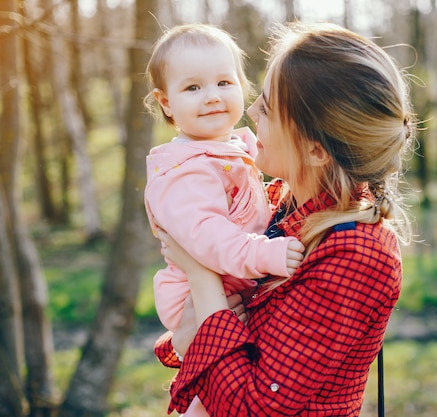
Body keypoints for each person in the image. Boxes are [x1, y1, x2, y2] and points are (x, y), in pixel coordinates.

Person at [154, 21, 416, 417]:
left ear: (315, 151)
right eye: (259, 96)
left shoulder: (356, 255)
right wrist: (189, 334)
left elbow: (251, 409)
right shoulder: (282, 202)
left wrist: (199, 271)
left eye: (269, 108)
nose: (252, 111)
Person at [143, 24, 306, 417]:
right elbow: (208, 239)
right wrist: (266, 254)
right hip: (197, 293)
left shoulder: (232, 147)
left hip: (230, 284)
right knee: (213, 398)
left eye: (223, 82)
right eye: (193, 88)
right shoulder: (185, 171)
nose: (213, 97)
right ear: (166, 103)